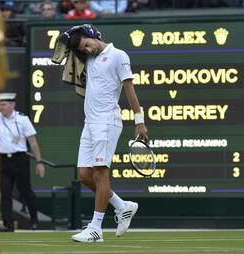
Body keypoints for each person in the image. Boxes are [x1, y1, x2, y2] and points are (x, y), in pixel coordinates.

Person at [63, 24, 148, 242]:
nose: (88, 50)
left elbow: (130, 90)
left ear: (93, 36)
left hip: (107, 122)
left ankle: (96, 229)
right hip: (89, 124)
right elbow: (63, 46)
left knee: (101, 174)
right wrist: (70, 38)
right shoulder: (87, 59)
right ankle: (122, 206)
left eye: (88, 45)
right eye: (84, 49)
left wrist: (140, 122)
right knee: (84, 175)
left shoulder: (119, 55)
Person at [0, 93, 45, 232]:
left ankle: (34, 220)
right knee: (5, 193)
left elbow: (33, 142)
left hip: (20, 159)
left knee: (26, 191)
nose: (1, 107)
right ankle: (8, 224)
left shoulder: (22, 120)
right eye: (0, 105)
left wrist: (39, 161)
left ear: (12, 105)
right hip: (3, 160)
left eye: (4, 104)